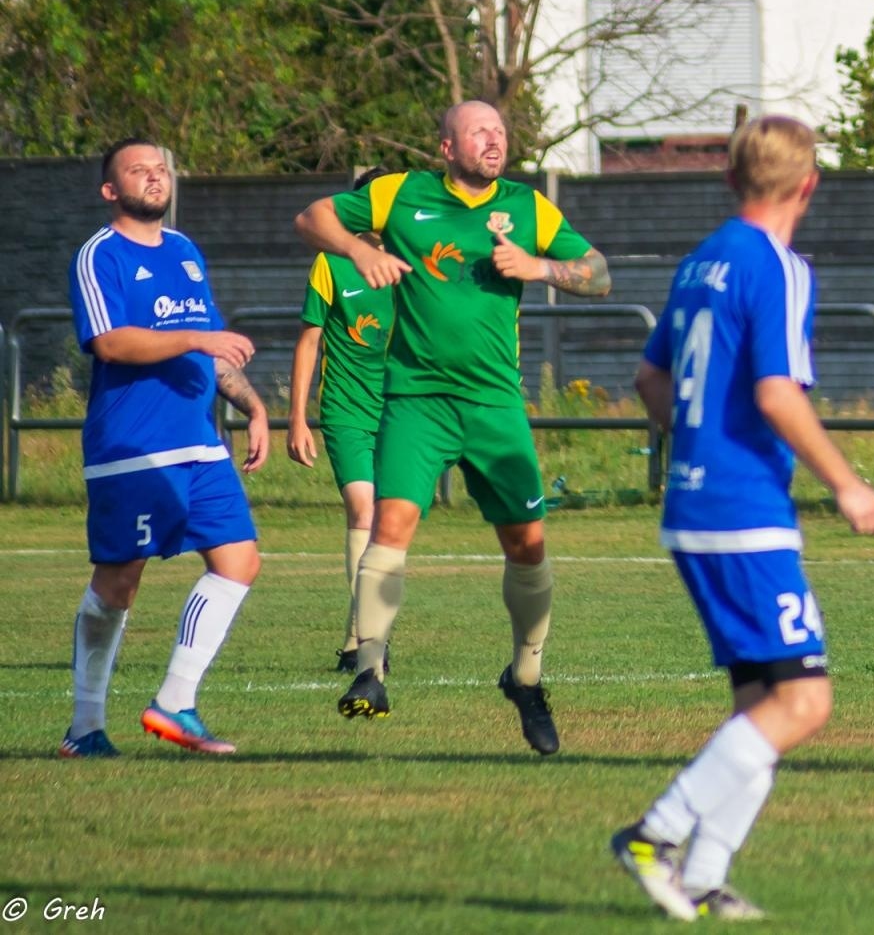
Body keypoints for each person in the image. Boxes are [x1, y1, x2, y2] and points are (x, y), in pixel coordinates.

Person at [611, 115, 874, 921]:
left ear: (731, 180)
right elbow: (776, 393)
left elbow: (648, 379)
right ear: (809, 185)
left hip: (692, 505)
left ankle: (702, 876)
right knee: (806, 701)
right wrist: (848, 484)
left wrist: (696, 437)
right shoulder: (779, 266)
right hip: (745, 512)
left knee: (759, 707)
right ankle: (655, 833)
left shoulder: (701, 261)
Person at [292, 100, 611, 754]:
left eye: (500, 130)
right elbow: (312, 217)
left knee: (528, 547)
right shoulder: (400, 194)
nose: (494, 141)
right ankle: (369, 671)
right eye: (478, 132)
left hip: (495, 405)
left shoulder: (528, 206)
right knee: (390, 524)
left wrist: (541, 268)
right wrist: (357, 249)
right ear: (445, 147)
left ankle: (525, 676)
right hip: (417, 400)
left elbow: (600, 274)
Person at [61, 137, 270, 757]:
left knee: (239, 561)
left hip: (199, 444)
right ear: (110, 189)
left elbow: (210, 347)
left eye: (160, 169)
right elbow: (110, 343)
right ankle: (84, 727)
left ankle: (174, 703)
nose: (154, 178)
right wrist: (194, 341)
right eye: (138, 171)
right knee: (120, 582)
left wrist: (254, 406)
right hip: (133, 446)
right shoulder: (100, 255)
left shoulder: (183, 251)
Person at [287, 168, 396, 673]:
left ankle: (357, 638)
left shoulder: (416, 266)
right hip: (347, 409)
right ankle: (371, 640)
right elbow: (309, 340)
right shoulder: (331, 262)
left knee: (389, 525)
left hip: (400, 410)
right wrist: (297, 419)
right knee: (363, 513)